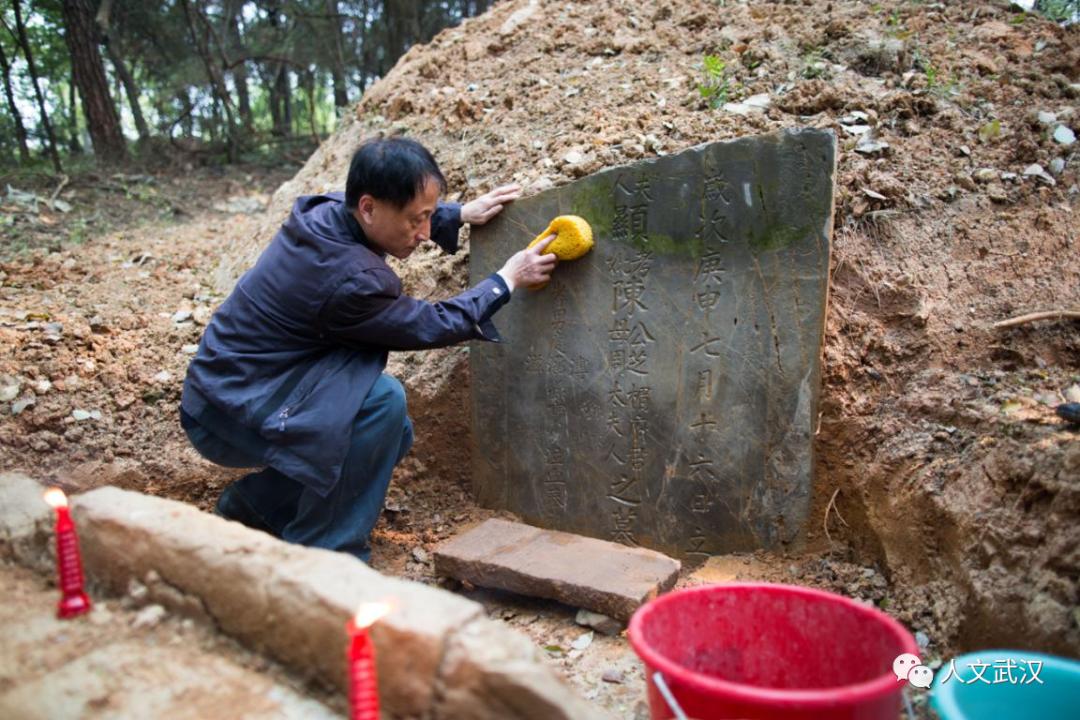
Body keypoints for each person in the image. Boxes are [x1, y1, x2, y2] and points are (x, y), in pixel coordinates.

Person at [180, 136, 556, 562]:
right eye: (418, 219)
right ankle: (326, 553)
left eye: (430, 215)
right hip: (230, 412)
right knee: (381, 406)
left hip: (233, 386)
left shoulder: (323, 212)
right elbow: (429, 324)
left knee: (391, 432)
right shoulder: (353, 278)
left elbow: (377, 206)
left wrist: (458, 214)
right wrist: (506, 279)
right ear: (369, 208)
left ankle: (257, 507)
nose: (425, 233)